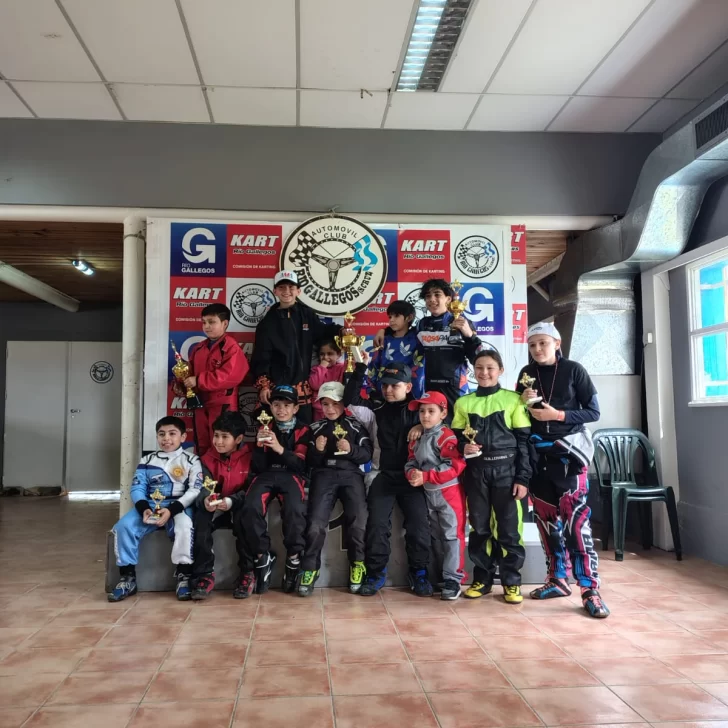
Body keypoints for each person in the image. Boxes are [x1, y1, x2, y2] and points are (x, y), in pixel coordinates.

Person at [516, 322, 609, 619]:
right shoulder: (526, 373)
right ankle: (557, 579)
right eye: (532, 344)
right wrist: (522, 406)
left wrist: (558, 415)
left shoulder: (574, 370)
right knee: (546, 523)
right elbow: (521, 415)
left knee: (576, 525)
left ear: (557, 343)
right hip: (538, 459)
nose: (537, 349)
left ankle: (590, 590)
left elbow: (594, 412)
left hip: (569, 457)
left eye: (543, 343)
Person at [344, 359, 433, 597]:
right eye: (385, 385)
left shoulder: (421, 410)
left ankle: (419, 573)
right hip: (382, 475)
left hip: (412, 477)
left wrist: (422, 427)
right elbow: (350, 400)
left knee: (419, 525)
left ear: (408, 386)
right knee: (376, 525)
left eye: (395, 385)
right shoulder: (376, 409)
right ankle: (376, 574)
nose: (388, 390)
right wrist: (360, 369)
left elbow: (441, 421)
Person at [452, 350, 531, 604]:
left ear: (500, 371)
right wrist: (463, 447)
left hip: (507, 472)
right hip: (476, 473)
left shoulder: (514, 400)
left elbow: (524, 442)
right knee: (479, 528)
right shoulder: (463, 403)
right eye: (479, 367)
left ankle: (511, 582)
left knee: (509, 530)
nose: (484, 373)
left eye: (490, 368)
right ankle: (482, 580)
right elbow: (455, 440)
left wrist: (523, 478)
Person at [109, 416, 202, 602]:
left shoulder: (192, 460)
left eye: (172, 433)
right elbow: (137, 487)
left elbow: (195, 489)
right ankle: (128, 578)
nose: (166, 438)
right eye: (161, 434)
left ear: (183, 437)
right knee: (123, 527)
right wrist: (144, 508)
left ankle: (184, 576)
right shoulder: (147, 460)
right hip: (151, 506)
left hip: (179, 506)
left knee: (185, 527)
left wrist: (172, 510)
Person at [298, 382, 373, 596]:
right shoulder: (315, 428)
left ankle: (358, 564)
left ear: (343, 403)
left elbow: (366, 454)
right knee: (315, 524)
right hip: (323, 474)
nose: (330, 409)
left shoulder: (356, 426)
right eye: (325, 404)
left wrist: (351, 450)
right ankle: (309, 569)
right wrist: (318, 450)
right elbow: (308, 462)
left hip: (351, 474)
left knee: (358, 521)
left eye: (335, 403)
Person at [237, 385, 310, 598]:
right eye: (277, 405)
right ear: (271, 407)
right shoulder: (264, 426)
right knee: (250, 507)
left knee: (295, 509)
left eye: (287, 405)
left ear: (296, 408)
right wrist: (260, 447)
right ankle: (262, 556)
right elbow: (258, 466)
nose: (281, 410)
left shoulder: (304, 430)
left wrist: (278, 448)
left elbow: (301, 465)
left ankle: (294, 557)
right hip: (266, 475)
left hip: (292, 475)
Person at [374, 279, 482, 419]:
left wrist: (469, 335)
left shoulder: (462, 322)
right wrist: (384, 330)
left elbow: (477, 358)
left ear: (448, 299)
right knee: (429, 425)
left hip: (454, 386)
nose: (432, 299)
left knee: (457, 426)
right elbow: (403, 332)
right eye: (428, 296)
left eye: (437, 294)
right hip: (427, 386)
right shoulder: (422, 325)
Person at [251, 270, 340, 424]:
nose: (287, 291)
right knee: (277, 431)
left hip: (303, 389)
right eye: (282, 287)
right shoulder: (267, 323)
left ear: (298, 291)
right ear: (275, 291)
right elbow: (261, 357)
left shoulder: (307, 315)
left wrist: (342, 331)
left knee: (304, 431)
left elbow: (323, 331)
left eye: (291, 287)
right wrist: (264, 386)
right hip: (277, 388)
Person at [405, 391, 466, 600]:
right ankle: (442, 576)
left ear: (443, 413)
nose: (425, 415)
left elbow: (455, 466)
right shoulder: (417, 437)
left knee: (452, 536)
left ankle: (454, 580)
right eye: (422, 411)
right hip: (427, 493)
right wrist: (412, 474)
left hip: (449, 494)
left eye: (431, 411)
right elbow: (411, 461)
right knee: (435, 536)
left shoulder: (446, 436)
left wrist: (427, 476)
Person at [191, 411, 252, 601]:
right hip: (215, 506)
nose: (218, 441)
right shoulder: (206, 459)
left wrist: (232, 500)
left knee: (247, 520)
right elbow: (201, 486)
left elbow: (252, 488)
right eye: (216, 435)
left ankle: (247, 573)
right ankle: (204, 575)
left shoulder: (251, 457)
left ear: (238, 439)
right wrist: (205, 500)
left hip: (238, 503)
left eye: (225, 437)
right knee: (200, 521)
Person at [180, 302, 249, 456]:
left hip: (222, 404)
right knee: (202, 443)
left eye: (212, 322)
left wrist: (198, 380)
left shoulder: (231, 347)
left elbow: (229, 376)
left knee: (223, 444)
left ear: (225, 324)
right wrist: (181, 383)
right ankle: (203, 471)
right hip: (200, 403)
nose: (207, 326)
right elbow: (190, 372)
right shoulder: (199, 347)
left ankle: (225, 472)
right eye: (204, 322)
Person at [367, 300, 425, 399]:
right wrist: (372, 390)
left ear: (409, 317)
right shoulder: (383, 340)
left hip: (411, 392)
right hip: (385, 391)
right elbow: (373, 367)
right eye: (390, 317)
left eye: (396, 316)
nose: (392, 320)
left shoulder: (419, 338)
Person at [309, 338, 346, 421]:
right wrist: (322, 368)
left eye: (330, 354)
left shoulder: (342, 368)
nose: (325, 357)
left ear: (339, 354)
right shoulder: (316, 369)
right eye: (322, 354)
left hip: (337, 410)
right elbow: (315, 385)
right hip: (319, 411)